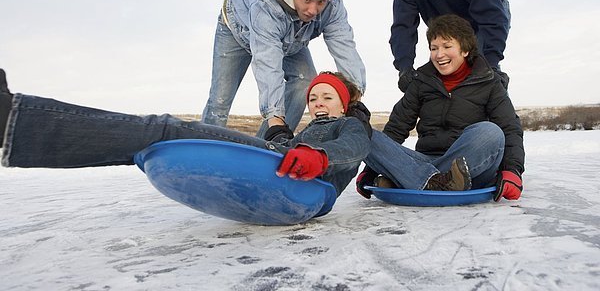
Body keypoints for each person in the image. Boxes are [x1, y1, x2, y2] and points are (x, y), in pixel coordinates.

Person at [0, 69, 370, 197]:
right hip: (284, 172)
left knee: (168, 128)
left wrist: (319, 156)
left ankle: (14, 120)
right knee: (156, 143)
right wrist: (280, 136)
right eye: (313, 97)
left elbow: (355, 146)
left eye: (327, 97)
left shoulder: (348, 124)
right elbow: (291, 150)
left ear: (343, 104)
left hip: (308, 188)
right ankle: (22, 131)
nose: (318, 102)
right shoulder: (306, 130)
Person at [356, 14, 524, 202]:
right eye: (433, 48)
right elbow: (397, 127)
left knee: (491, 133)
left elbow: (510, 129)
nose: (438, 54)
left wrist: (513, 171)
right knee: (363, 134)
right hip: (425, 159)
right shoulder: (422, 81)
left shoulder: (489, 82)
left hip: (470, 167)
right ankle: (431, 180)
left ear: (465, 50)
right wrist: (371, 169)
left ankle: (408, 178)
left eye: (447, 46)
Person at [202, 0, 367, 139]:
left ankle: (266, 147)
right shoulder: (265, 5)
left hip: (291, 36)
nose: (313, 10)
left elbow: (344, 45)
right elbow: (267, 64)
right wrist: (275, 119)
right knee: (220, 101)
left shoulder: (332, 2)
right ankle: (203, 151)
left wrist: (355, 101)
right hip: (237, 27)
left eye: (320, 2)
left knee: (305, 80)